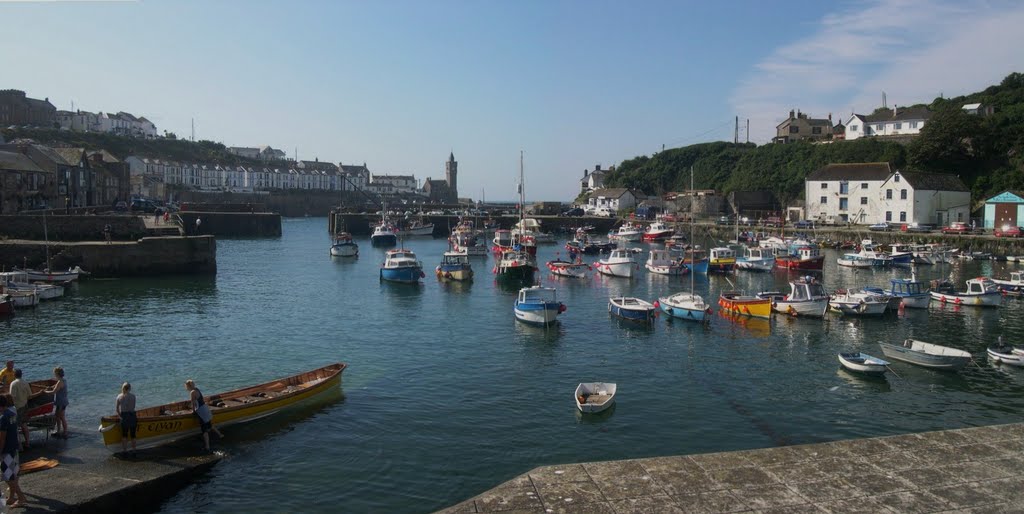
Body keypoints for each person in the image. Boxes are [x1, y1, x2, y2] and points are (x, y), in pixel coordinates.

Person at [0, 395, 26, 509]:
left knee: (8, 477)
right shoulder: (12, 414)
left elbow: (2, 438)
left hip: (6, 451)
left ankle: (21, 498)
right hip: (14, 448)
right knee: (13, 474)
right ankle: (11, 497)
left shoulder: (2, 418)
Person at [185, 380, 222, 452]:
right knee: (209, 424)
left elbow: (193, 403)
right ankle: (220, 434)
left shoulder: (192, 392)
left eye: (186, 386)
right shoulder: (197, 389)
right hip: (205, 408)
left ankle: (207, 446)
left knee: (204, 430)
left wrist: (193, 411)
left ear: (188, 386)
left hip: (201, 411)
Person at [8, 371, 30, 451]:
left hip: (17, 408)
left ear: (14, 375)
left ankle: (19, 446)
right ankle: (27, 443)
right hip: (25, 406)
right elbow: (29, 395)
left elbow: (11, 397)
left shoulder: (13, 383)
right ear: (21, 375)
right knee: (24, 425)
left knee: (15, 426)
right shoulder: (25, 383)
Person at [44, 367, 68, 439]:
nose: (54, 374)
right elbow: (55, 387)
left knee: (60, 417)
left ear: (57, 374)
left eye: (54, 373)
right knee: (58, 417)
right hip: (64, 401)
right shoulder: (63, 380)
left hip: (60, 402)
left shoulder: (59, 382)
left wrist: (44, 392)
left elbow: (53, 392)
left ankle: (64, 432)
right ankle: (60, 431)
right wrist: (50, 387)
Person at [116, 382, 137, 455]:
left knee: (124, 435)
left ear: (123, 388)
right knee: (133, 435)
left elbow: (117, 409)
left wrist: (120, 416)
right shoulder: (133, 396)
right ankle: (134, 450)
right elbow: (133, 407)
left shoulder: (119, 396)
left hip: (124, 416)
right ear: (130, 388)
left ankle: (125, 451)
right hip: (132, 415)